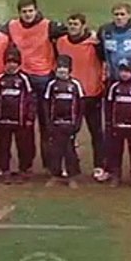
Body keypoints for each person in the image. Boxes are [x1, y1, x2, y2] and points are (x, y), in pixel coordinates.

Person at [4, 0, 65, 164]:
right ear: (19, 13)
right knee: (25, 123)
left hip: (44, 78)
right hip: (23, 79)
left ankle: (49, 162)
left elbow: (71, 32)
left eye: (30, 11)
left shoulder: (49, 26)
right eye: (24, 12)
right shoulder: (12, 26)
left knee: (47, 123)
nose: (28, 14)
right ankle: (27, 162)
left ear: (36, 10)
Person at [56, 14, 106, 181]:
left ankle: (100, 166)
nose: (72, 26)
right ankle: (70, 165)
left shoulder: (94, 44)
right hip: (70, 96)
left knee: (97, 132)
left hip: (92, 94)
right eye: (70, 24)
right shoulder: (61, 41)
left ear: (83, 25)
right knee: (68, 132)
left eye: (76, 24)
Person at [0, 48, 37, 184]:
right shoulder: (0, 79)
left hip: (21, 120)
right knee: (3, 146)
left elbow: (31, 99)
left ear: (19, 64)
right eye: (8, 62)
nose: (11, 65)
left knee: (24, 145)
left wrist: (30, 117)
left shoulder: (24, 79)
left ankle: (24, 169)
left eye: (14, 62)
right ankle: (4, 170)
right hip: (4, 120)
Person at [44, 55, 85, 187]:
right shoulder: (51, 85)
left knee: (70, 150)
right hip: (56, 123)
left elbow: (81, 105)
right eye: (59, 68)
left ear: (70, 70)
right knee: (55, 150)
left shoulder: (76, 85)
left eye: (65, 68)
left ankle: (72, 176)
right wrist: (48, 122)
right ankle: (55, 175)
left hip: (70, 124)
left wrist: (77, 123)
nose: (62, 71)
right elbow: (46, 104)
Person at [104, 62, 131, 188]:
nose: (124, 74)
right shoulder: (114, 87)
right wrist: (109, 123)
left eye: (127, 71)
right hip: (117, 126)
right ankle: (116, 174)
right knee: (116, 151)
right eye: (122, 71)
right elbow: (109, 105)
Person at [97, 2, 131, 81]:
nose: (119, 17)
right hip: (112, 76)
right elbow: (100, 53)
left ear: (129, 15)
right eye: (116, 14)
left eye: (122, 14)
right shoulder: (104, 30)